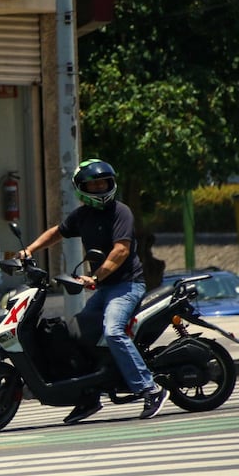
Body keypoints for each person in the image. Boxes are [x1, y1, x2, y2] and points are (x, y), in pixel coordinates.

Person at [18, 159, 168, 423]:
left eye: (103, 182)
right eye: (93, 184)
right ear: (81, 188)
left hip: (127, 286)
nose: (99, 188)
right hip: (103, 288)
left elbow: (120, 250)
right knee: (75, 334)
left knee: (112, 331)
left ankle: (150, 388)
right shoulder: (82, 215)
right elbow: (58, 232)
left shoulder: (121, 212)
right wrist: (29, 250)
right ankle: (88, 396)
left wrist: (95, 277)